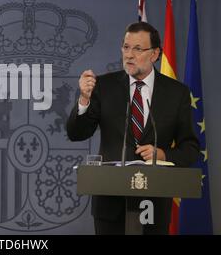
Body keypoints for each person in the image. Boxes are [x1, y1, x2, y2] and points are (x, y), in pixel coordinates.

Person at [66, 21, 199, 235]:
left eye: (138, 49)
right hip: (110, 207)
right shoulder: (104, 87)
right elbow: (76, 133)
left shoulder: (177, 93)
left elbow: (191, 147)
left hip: (154, 205)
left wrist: (163, 153)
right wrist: (83, 99)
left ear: (155, 54)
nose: (129, 54)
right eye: (126, 47)